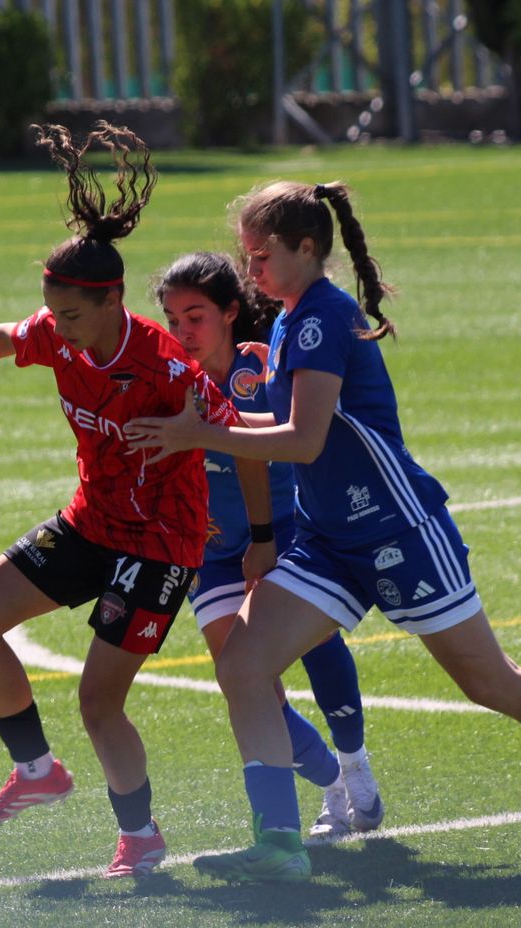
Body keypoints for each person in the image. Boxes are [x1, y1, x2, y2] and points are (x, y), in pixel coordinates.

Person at [126, 180, 521, 883]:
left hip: (396, 527)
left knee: (490, 681)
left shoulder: (321, 317)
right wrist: (203, 429)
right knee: (242, 664)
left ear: (308, 248)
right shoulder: (287, 319)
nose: (253, 270)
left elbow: (303, 440)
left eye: (261, 254)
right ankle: (278, 842)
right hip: (331, 541)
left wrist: (202, 431)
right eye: (247, 256)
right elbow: (284, 431)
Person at [0, 123, 245, 879]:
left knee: (99, 701)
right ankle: (37, 768)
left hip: (159, 543)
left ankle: (140, 836)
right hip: (90, 524)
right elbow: (10, 336)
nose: (59, 332)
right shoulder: (60, 335)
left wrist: (189, 429)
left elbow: (230, 424)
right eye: (54, 315)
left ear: (111, 302)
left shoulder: (162, 361)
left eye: (72, 316)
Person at [153, 250, 383, 838]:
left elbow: (265, 450)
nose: (183, 332)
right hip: (209, 548)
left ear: (231, 313)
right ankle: (330, 780)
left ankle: (356, 765)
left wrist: (263, 541)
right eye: (173, 320)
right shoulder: (166, 377)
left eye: (195, 317)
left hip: (285, 529)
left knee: (317, 646)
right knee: (243, 677)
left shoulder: (261, 373)